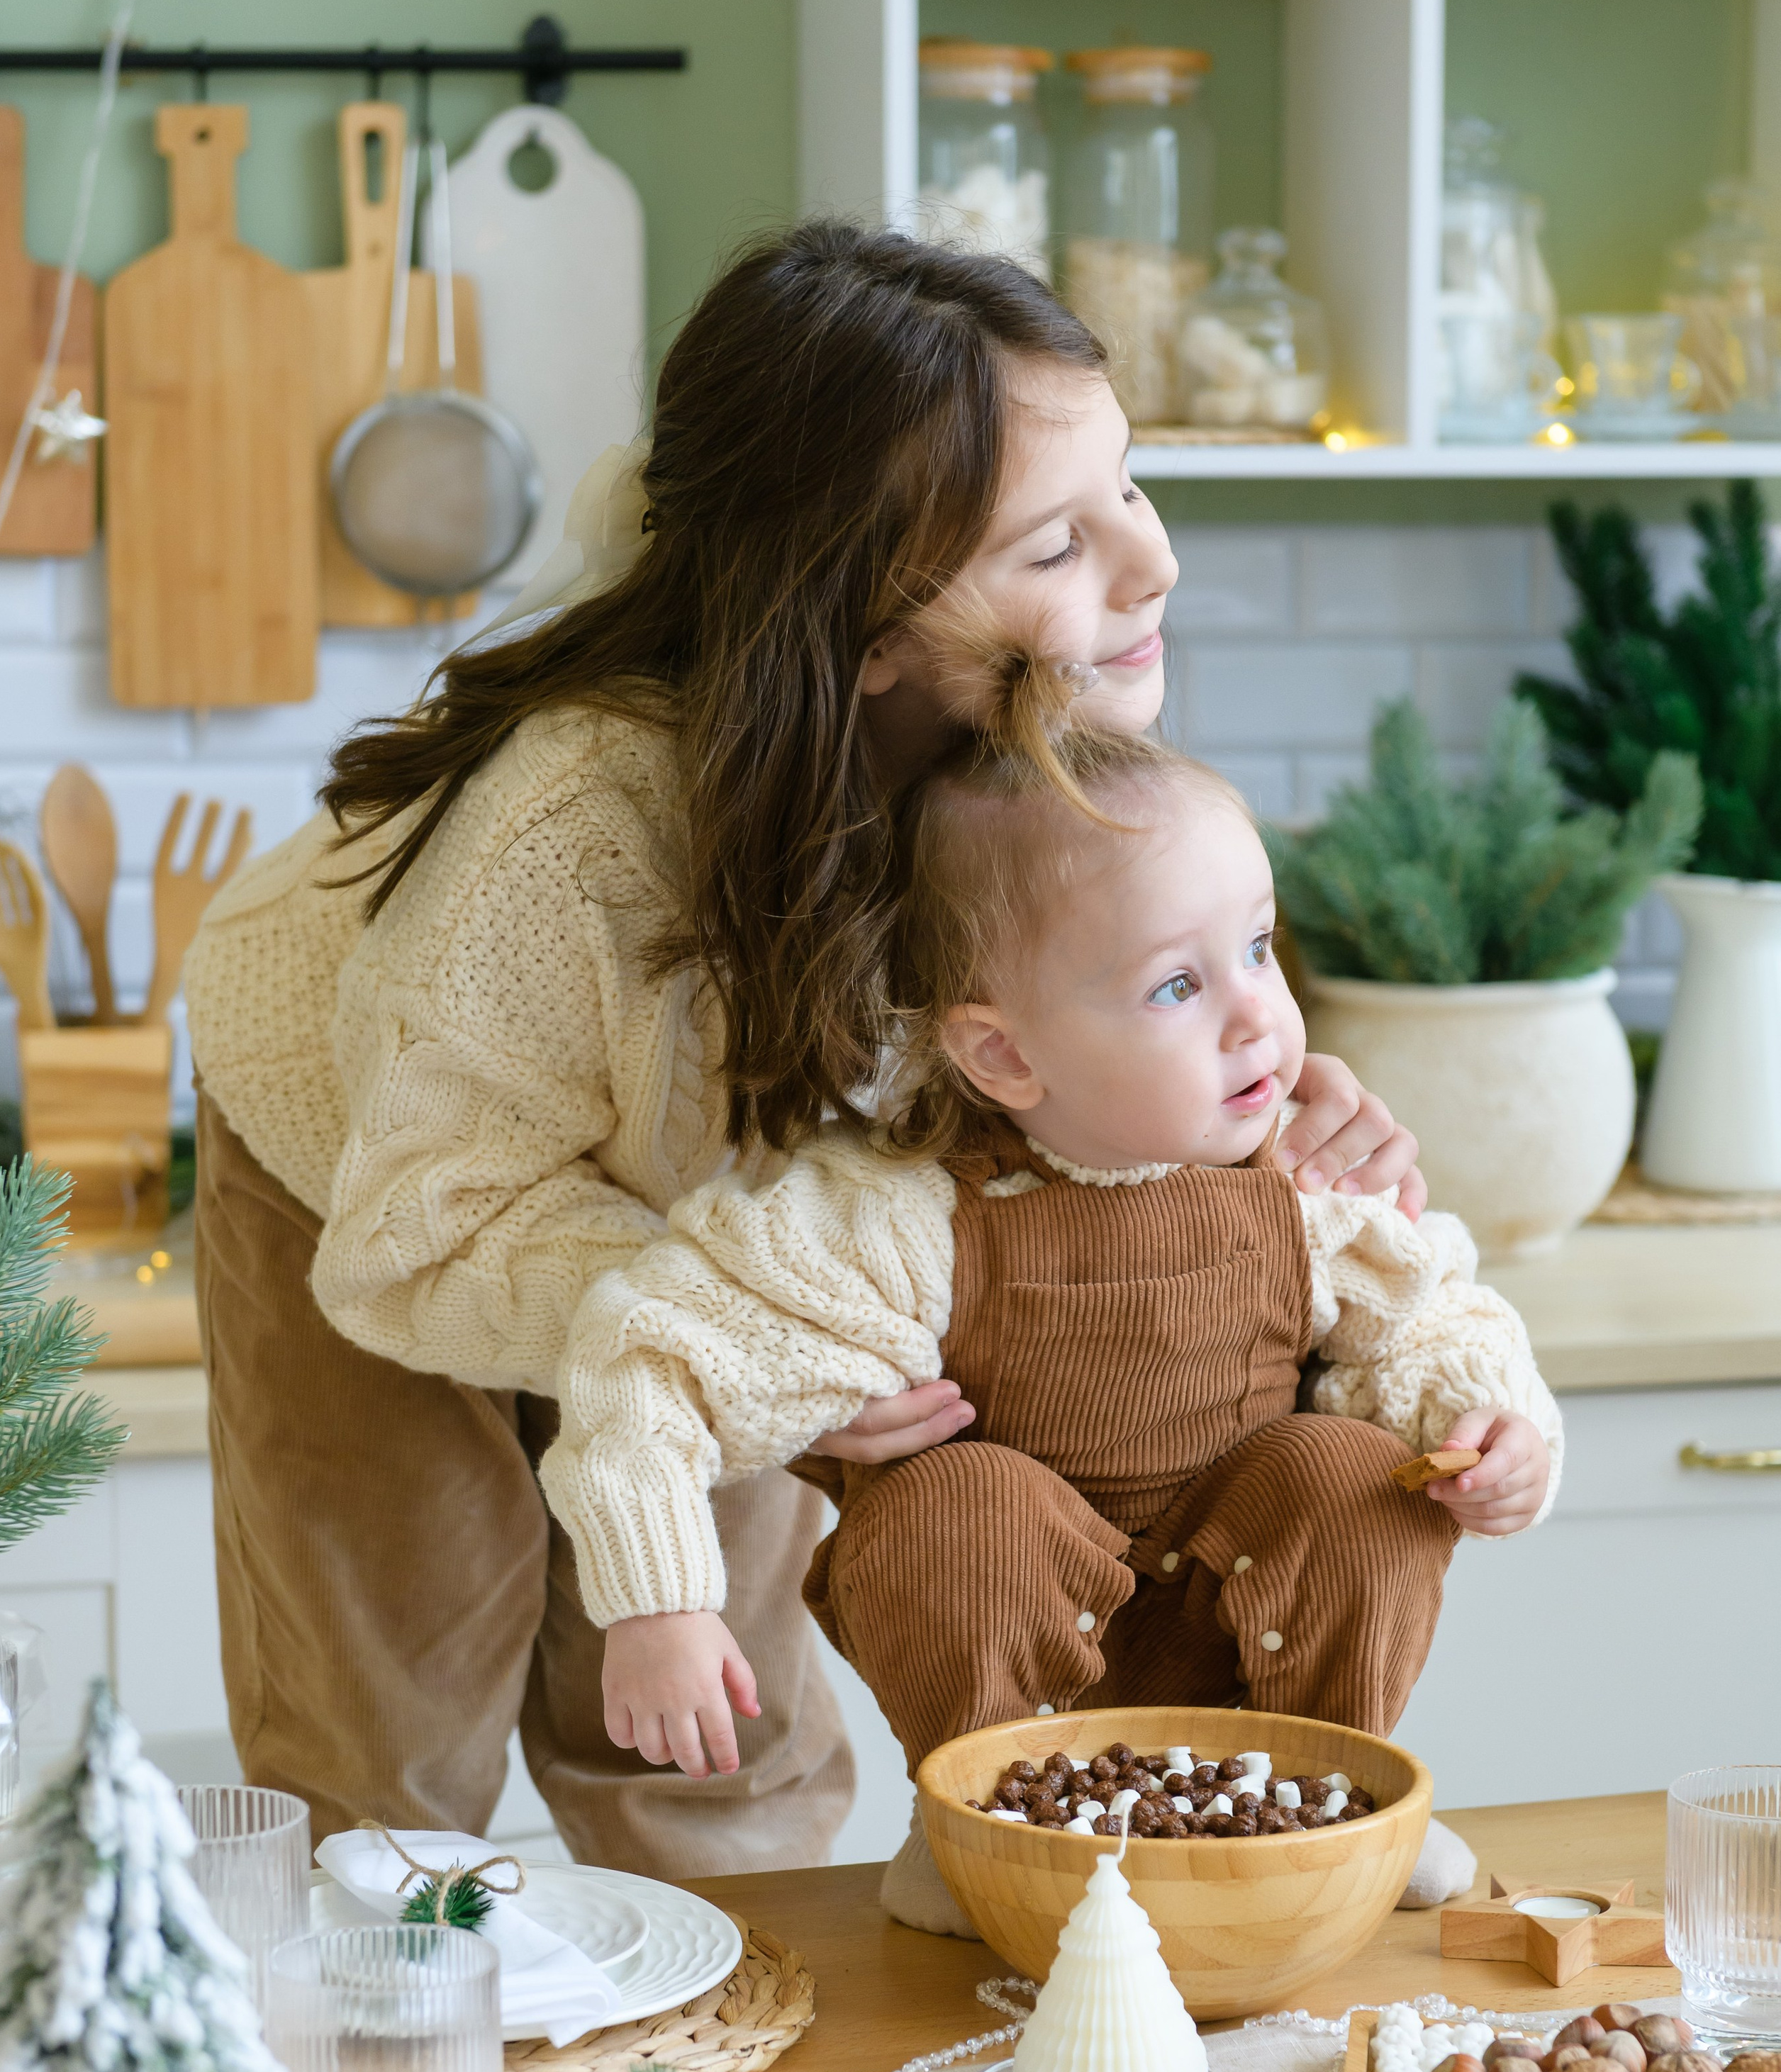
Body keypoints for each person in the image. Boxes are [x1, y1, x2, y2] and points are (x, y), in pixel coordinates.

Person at [185, 220, 1423, 1880]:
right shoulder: (571, 832)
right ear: (858, 628)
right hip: (384, 1171)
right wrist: (751, 1344)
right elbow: (422, 1235)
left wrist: (1245, 1109)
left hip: (730, 1208)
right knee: (389, 1720)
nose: (1150, 567)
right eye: (1055, 544)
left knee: (731, 1741)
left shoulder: (1038, 768)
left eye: (1124, 489)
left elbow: (1065, 1041)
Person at [550, 729, 1560, 1928]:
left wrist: (1500, 1430)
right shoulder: (897, 1218)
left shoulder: (1306, 1181)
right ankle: (985, 1830)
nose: (1256, 1020)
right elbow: (649, 1351)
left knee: (1356, 1474)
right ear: (1003, 1052)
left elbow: (1437, 1321)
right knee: (951, 1503)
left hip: (1237, 1627)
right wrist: (657, 1600)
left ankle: (1330, 1806)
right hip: (1008, 1641)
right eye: (1178, 986)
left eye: (1256, 948)